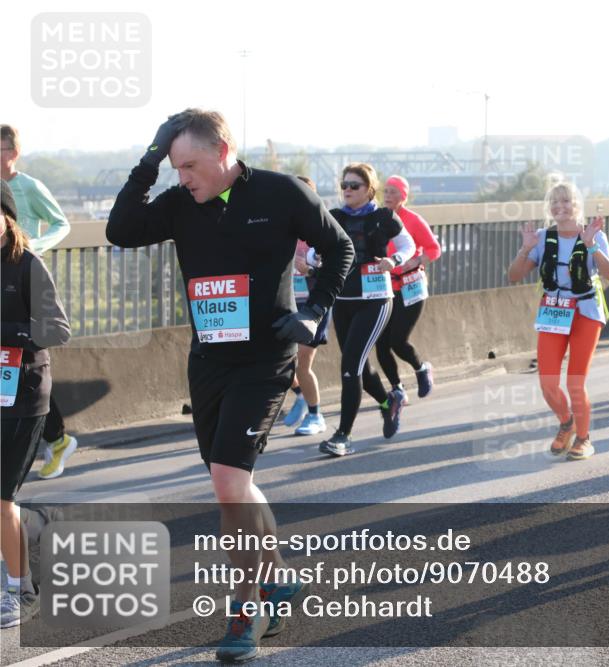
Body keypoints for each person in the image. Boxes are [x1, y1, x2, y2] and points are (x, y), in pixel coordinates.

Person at [106, 109, 354, 662]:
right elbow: (119, 229)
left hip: (266, 357)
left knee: (226, 482)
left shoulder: (280, 192)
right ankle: (278, 580)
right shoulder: (179, 203)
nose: (183, 176)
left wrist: (316, 310)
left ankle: (244, 612)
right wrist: (150, 161)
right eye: (175, 166)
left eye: (189, 164)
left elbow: (340, 248)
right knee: (234, 484)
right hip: (208, 362)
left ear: (223, 152)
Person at [1, 180, 71, 628]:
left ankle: (19, 590)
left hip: (24, 396)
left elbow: (58, 330)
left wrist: (8, 336)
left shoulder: (26, 265)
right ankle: (31, 523)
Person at [508, 180, 609, 460]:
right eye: (555, 203)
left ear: (577, 205)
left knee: (575, 382)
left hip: (585, 312)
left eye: (566, 201)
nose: (561, 207)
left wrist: (592, 246)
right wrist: (526, 248)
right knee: (547, 382)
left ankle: (584, 438)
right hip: (554, 311)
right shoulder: (544, 237)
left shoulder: (591, 234)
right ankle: (566, 422)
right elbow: (514, 275)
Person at [317, 164, 415, 457]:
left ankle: (343, 436)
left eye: (354, 185)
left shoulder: (383, 217)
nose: (347, 190)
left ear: (369, 190)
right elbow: (316, 248)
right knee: (359, 364)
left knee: (350, 367)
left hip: (375, 299)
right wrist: (311, 257)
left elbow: (407, 244)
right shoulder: (334, 217)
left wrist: (394, 259)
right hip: (343, 300)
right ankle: (388, 403)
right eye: (344, 184)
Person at [1, 124, 77, 480]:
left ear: (13, 153)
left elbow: (61, 223)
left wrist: (34, 251)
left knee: (28, 366)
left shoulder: (28, 187)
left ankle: (56, 437)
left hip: (23, 272)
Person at [376, 175, 441, 404]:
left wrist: (416, 260)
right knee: (381, 343)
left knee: (398, 340)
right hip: (385, 287)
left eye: (394, 192)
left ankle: (421, 369)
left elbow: (434, 249)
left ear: (403, 197)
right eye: (386, 191)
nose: (388, 196)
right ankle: (397, 389)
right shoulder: (379, 218)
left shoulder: (413, 220)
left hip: (411, 286)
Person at [281, 176, 333, 436]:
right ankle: (301, 394)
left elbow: (332, 263)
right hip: (285, 303)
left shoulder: (322, 227)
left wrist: (310, 266)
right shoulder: (279, 225)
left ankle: (315, 415)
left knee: (302, 363)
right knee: (276, 361)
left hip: (313, 306)